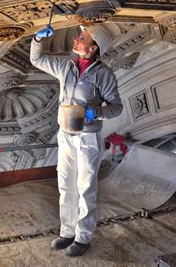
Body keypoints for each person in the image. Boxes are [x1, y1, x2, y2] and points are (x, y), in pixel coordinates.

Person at [30, 23, 122, 256]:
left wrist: (97, 112)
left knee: (85, 187)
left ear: (93, 48)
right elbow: (37, 60)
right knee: (65, 184)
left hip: (87, 138)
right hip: (66, 135)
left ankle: (83, 237)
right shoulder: (66, 67)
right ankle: (67, 232)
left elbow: (116, 107)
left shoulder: (104, 74)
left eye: (82, 38)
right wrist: (38, 39)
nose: (76, 40)